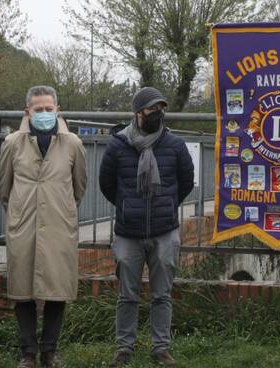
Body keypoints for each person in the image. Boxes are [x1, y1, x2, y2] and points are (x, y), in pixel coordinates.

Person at [99, 87, 194, 367]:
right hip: (129, 232)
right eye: (152, 109)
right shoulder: (118, 145)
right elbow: (107, 185)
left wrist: (167, 203)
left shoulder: (174, 145)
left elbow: (185, 182)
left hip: (165, 231)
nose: (158, 114)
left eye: (161, 108)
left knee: (162, 294)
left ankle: (160, 348)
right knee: (127, 294)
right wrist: (127, 205)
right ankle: (124, 348)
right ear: (138, 112)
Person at [0, 85, 87, 368]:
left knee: (56, 288)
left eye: (49, 109)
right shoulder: (13, 142)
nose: (45, 114)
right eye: (39, 110)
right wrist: (20, 212)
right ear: (28, 112)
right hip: (23, 225)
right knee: (22, 289)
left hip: (59, 225)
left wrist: (59, 207)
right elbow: (4, 187)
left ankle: (49, 350)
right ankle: (27, 351)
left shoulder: (72, 143)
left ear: (57, 109)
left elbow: (79, 186)